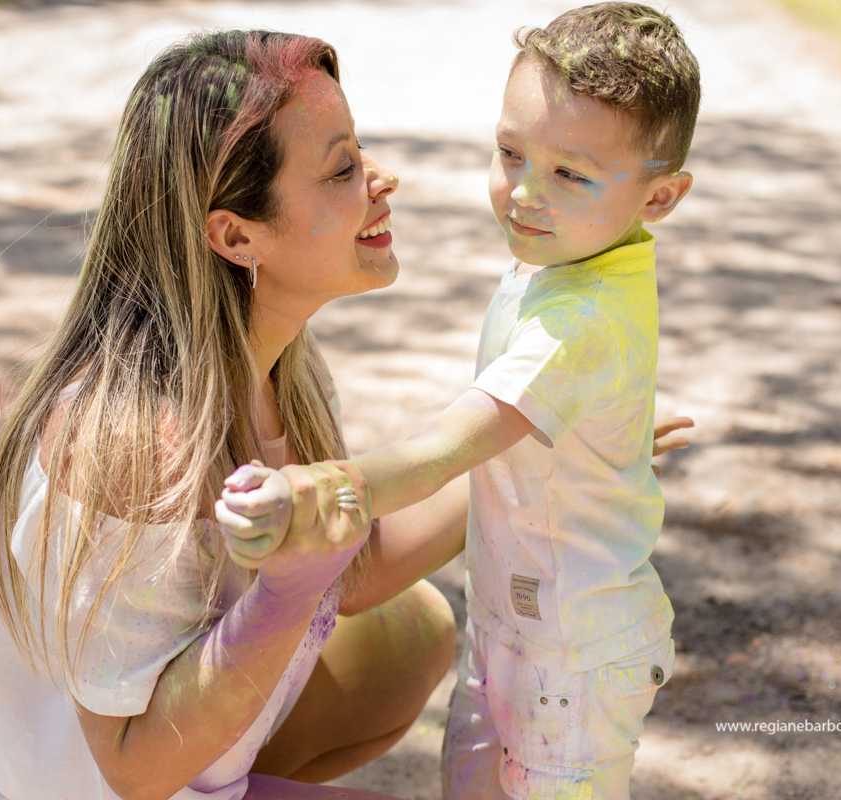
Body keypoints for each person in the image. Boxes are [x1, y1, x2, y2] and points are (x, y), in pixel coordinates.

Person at [0, 30, 466, 800]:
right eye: (342, 168)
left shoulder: (281, 365)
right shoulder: (131, 439)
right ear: (235, 235)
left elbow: (351, 565)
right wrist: (286, 593)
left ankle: (236, 763)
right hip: (58, 787)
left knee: (412, 631)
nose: (382, 179)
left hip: (143, 774)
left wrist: (534, 441)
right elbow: (134, 768)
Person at [215, 4, 701, 799]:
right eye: (512, 153)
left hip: (571, 663)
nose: (524, 194)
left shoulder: (578, 318)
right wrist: (602, 433)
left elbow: (446, 448)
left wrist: (315, 490)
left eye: (570, 174)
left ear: (660, 198)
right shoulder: (569, 261)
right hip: (511, 632)